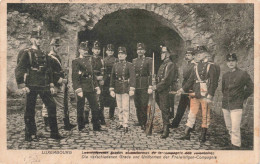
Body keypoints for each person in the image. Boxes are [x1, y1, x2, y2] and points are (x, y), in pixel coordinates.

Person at [15, 27, 64, 141]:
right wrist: (22, 85)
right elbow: (19, 69)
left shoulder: (44, 53)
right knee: (29, 109)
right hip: (31, 84)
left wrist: (52, 84)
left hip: (44, 84)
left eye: (40, 38)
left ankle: (54, 133)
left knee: (51, 106)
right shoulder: (27, 53)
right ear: (31, 39)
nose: (39, 40)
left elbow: (49, 70)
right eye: (36, 38)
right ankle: (30, 133)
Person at [177, 45, 219, 142]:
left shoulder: (211, 66)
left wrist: (210, 95)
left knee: (205, 114)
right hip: (196, 92)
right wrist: (182, 89)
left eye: (200, 53)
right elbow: (191, 80)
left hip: (205, 93)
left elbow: (214, 82)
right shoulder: (196, 66)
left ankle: (203, 134)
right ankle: (186, 133)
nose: (198, 55)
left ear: (205, 54)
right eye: (197, 54)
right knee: (192, 113)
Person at [41, 37, 76, 131]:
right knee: (48, 105)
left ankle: (63, 123)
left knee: (61, 105)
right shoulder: (49, 57)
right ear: (51, 46)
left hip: (60, 84)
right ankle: (47, 125)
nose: (57, 48)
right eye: (56, 46)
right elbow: (49, 72)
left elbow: (58, 71)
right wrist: (59, 79)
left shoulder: (57, 57)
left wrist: (65, 72)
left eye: (58, 46)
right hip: (53, 84)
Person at [222, 53, 253, 149]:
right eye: (229, 61)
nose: (231, 63)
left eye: (233, 61)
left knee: (235, 127)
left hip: (236, 105)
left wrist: (241, 97)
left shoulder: (243, 74)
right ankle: (231, 142)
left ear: (236, 62)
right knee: (229, 127)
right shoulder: (225, 75)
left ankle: (236, 146)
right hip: (226, 105)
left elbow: (251, 87)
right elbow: (223, 89)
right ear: (227, 63)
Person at [72, 41, 103, 132]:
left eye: (86, 49)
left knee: (95, 106)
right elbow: (75, 77)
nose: (85, 51)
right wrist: (78, 89)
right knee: (80, 107)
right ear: (79, 50)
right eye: (83, 49)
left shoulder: (89, 61)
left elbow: (92, 75)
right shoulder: (76, 61)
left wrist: (96, 86)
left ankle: (96, 126)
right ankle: (81, 127)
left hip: (90, 87)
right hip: (81, 87)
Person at [153, 45, 178, 139]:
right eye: (162, 52)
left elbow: (167, 80)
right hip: (161, 90)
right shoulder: (163, 64)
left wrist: (157, 87)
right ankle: (164, 127)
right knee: (163, 109)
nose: (161, 54)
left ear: (168, 54)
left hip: (166, 90)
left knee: (165, 109)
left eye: (163, 52)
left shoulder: (170, 64)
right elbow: (159, 77)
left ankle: (166, 130)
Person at [110, 46, 136, 133]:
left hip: (125, 87)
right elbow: (112, 78)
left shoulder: (129, 65)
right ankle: (120, 122)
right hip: (117, 87)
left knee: (125, 107)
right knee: (119, 107)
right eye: (119, 54)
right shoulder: (115, 65)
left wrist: (131, 88)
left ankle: (125, 123)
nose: (120, 56)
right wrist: (111, 89)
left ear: (126, 55)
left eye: (122, 54)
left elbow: (132, 77)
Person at [171, 48, 196, 128]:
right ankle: (175, 124)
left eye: (189, 55)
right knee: (181, 107)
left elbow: (191, 80)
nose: (187, 56)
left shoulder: (194, 66)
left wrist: (183, 88)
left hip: (191, 89)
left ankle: (191, 126)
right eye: (186, 55)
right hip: (185, 88)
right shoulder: (187, 65)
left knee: (191, 109)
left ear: (193, 56)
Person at [132, 43, 152, 130]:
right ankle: (139, 121)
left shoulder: (149, 60)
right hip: (136, 84)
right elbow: (132, 74)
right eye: (138, 50)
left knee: (144, 104)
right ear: (137, 51)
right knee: (137, 104)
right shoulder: (134, 61)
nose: (140, 51)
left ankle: (144, 122)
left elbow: (151, 74)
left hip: (144, 84)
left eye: (141, 49)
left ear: (145, 51)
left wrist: (150, 85)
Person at [91, 41, 106, 125]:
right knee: (93, 100)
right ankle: (94, 118)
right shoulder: (90, 59)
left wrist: (103, 79)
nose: (97, 51)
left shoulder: (101, 59)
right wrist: (96, 77)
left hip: (100, 81)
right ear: (92, 50)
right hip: (92, 81)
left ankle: (101, 117)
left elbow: (104, 71)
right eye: (95, 49)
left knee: (100, 100)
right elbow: (89, 71)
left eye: (98, 49)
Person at [103, 44, 118, 120]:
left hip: (113, 79)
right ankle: (101, 114)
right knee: (103, 96)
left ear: (113, 52)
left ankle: (111, 115)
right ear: (106, 51)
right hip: (105, 80)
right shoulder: (103, 60)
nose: (110, 52)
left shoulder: (116, 60)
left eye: (111, 51)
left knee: (112, 97)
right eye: (109, 50)